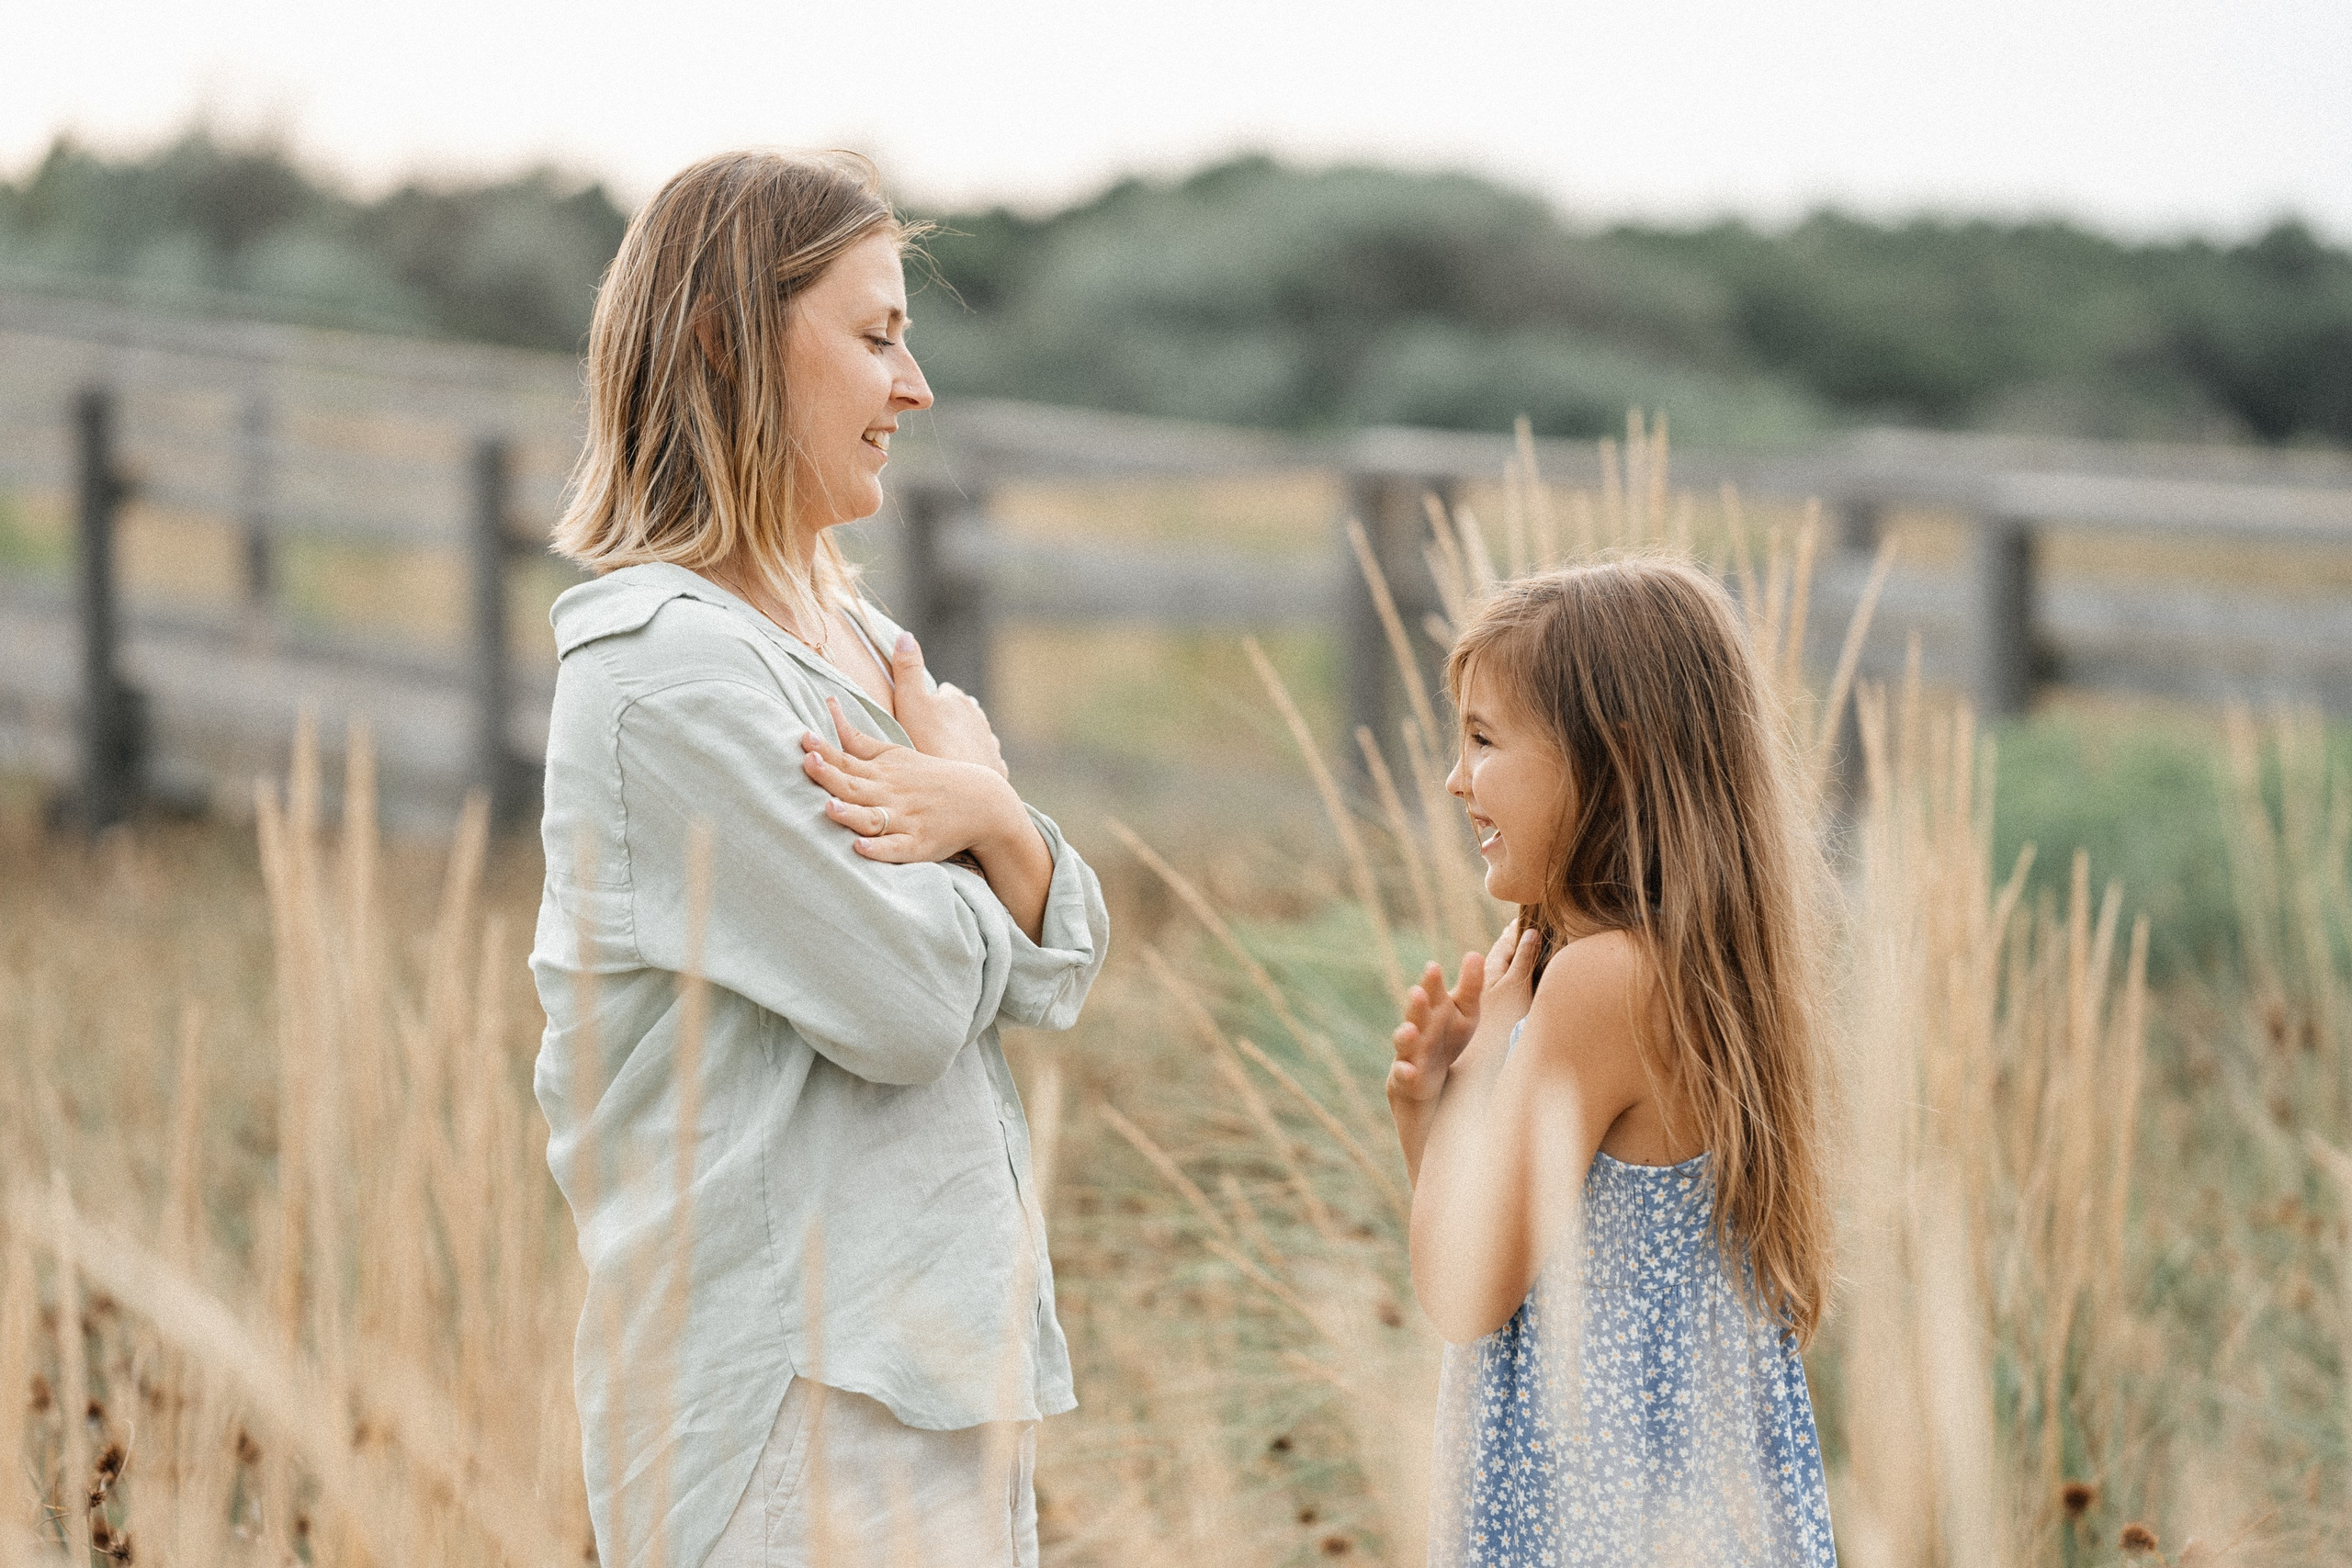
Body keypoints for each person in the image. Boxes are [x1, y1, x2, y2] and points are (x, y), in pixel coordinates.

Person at [529, 150, 1108, 1568]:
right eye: (875, 337)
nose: (913, 390)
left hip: (929, 1364)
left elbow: (1070, 954)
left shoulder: (849, 631)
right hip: (783, 1393)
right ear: (728, 339)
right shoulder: (663, 674)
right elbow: (911, 1005)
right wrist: (985, 808)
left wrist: (992, 822)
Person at [1385, 558, 1838, 1566]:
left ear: (1615, 764)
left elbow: (1464, 1293)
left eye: (1484, 739)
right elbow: (1522, 1246)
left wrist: (1468, 1091)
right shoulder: (1702, 974)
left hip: (1599, 1513)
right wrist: (1439, 1113)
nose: (1456, 777)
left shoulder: (1596, 987)